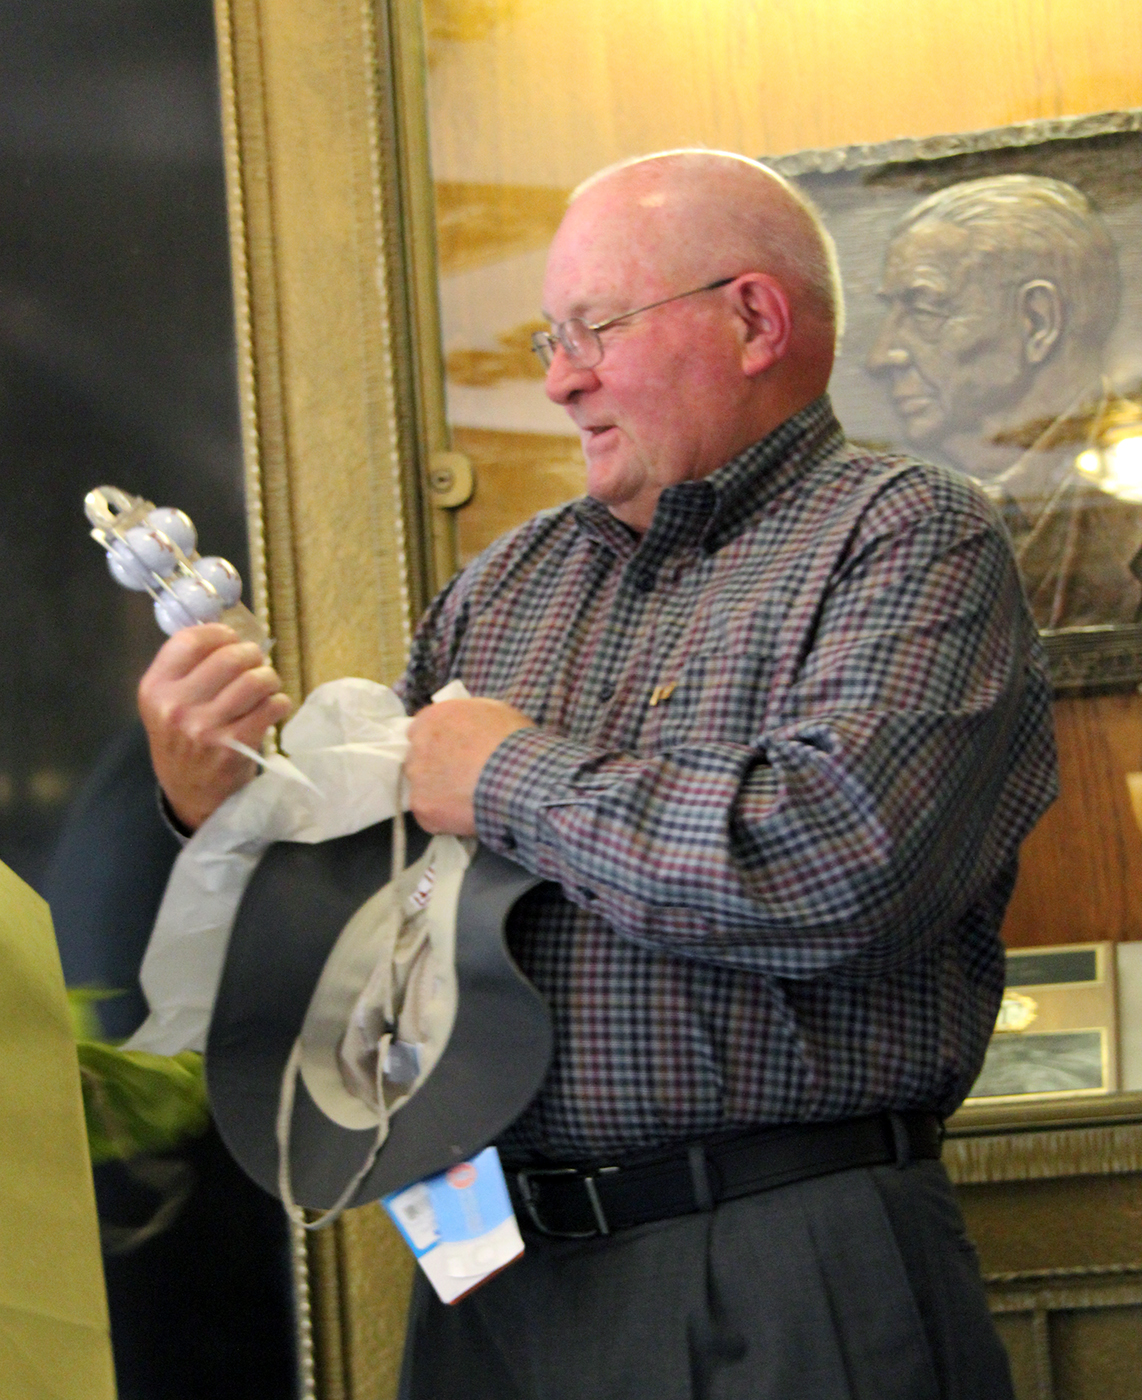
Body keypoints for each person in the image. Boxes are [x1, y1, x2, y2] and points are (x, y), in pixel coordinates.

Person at [139, 150, 1058, 1400]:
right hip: (489, 1274)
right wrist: (221, 799)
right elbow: (379, 931)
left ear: (752, 320)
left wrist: (510, 773)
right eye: (546, 338)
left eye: (594, 329)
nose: (561, 377)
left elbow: (836, 864)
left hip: (781, 1254)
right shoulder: (502, 586)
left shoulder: (907, 537)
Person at [866, 173, 1142, 630]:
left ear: (1037, 320)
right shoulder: (906, 525)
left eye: (923, 307)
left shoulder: (1128, 502)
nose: (881, 357)